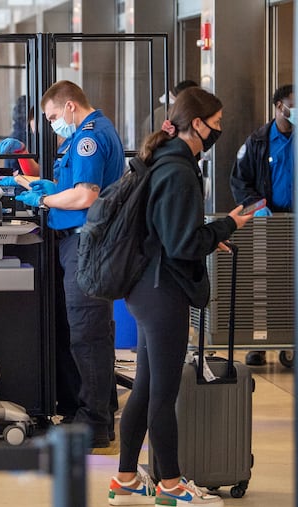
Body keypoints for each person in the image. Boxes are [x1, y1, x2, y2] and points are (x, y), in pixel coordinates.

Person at [108, 87, 252, 506]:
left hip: (145, 288)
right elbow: (182, 243)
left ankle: (125, 478)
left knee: (146, 389)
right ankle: (171, 486)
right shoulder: (179, 170)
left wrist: (209, 236)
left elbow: (171, 233)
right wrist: (225, 228)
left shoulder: (162, 160)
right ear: (197, 124)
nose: (220, 131)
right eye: (217, 124)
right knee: (162, 396)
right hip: (163, 293)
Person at [16, 80, 124, 448]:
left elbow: (84, 194)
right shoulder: (85, 135)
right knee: (92, 331)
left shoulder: (88, 138)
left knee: (86, 333)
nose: (51, 125)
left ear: (70, 107)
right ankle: (99, 409)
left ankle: (93, 424)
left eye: (51, 118)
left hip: (85, 243)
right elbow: (70, 183)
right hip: (81, 242)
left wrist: (44, 201)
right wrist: (36, 185)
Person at [230, 84, 294, 367]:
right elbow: (239, 181)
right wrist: (257, 207)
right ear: (279, 106)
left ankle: (290, 341)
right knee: (264, 283)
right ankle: (259, 343)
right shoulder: (257, 141)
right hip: (267, 223)